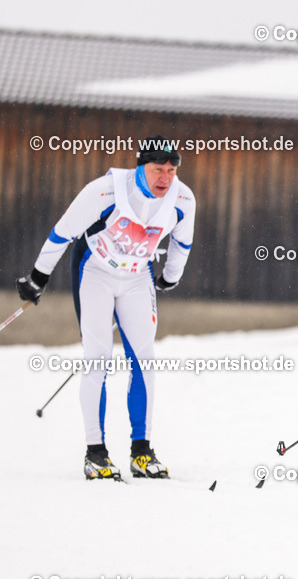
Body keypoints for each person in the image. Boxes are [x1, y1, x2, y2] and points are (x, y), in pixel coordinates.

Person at [16, 135, 196, 481]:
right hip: (94, 270)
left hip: (136, 277)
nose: (166, 178)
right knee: (98, 358)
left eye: (172, 170)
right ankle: (95, 453)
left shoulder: (183, 198)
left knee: (144, 360)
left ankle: (141, 452)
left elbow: (182, 242)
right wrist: (38, 277)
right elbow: (62, 233)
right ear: (141, 166)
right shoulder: (106, 190)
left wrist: (171, 276)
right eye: (159, 169)